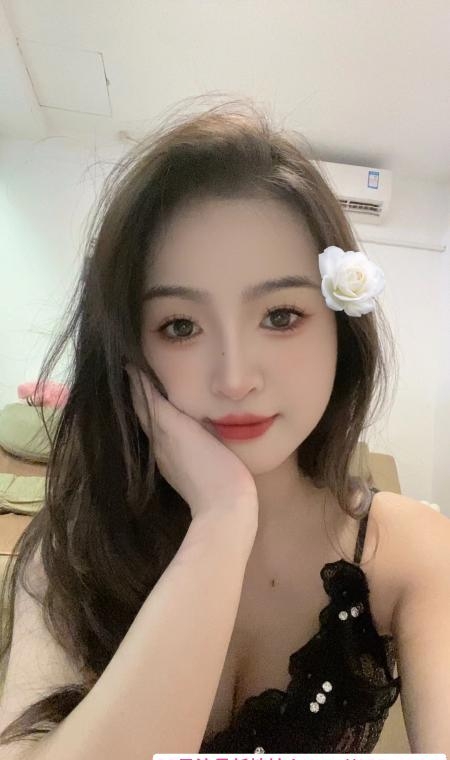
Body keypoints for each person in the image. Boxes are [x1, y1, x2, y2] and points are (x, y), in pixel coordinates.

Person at [0, 98, 449, 759]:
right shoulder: (75, 546)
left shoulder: (411, 552)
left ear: (341, 332)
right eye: (180, 326)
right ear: (128, 354)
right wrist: (221, 522)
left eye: (281, 316)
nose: (235, 378)